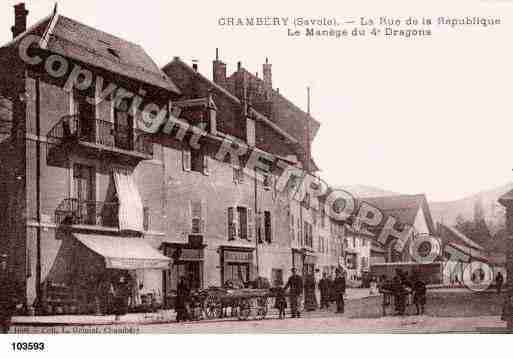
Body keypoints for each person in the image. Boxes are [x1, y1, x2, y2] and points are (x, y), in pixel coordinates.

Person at [0, 254, 20, 334]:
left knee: (6, 327)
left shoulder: (11, 276)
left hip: (7, 306)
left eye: (4, 262)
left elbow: (17, 288)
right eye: (1, 262)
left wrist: (18, 301)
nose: (2, 264)